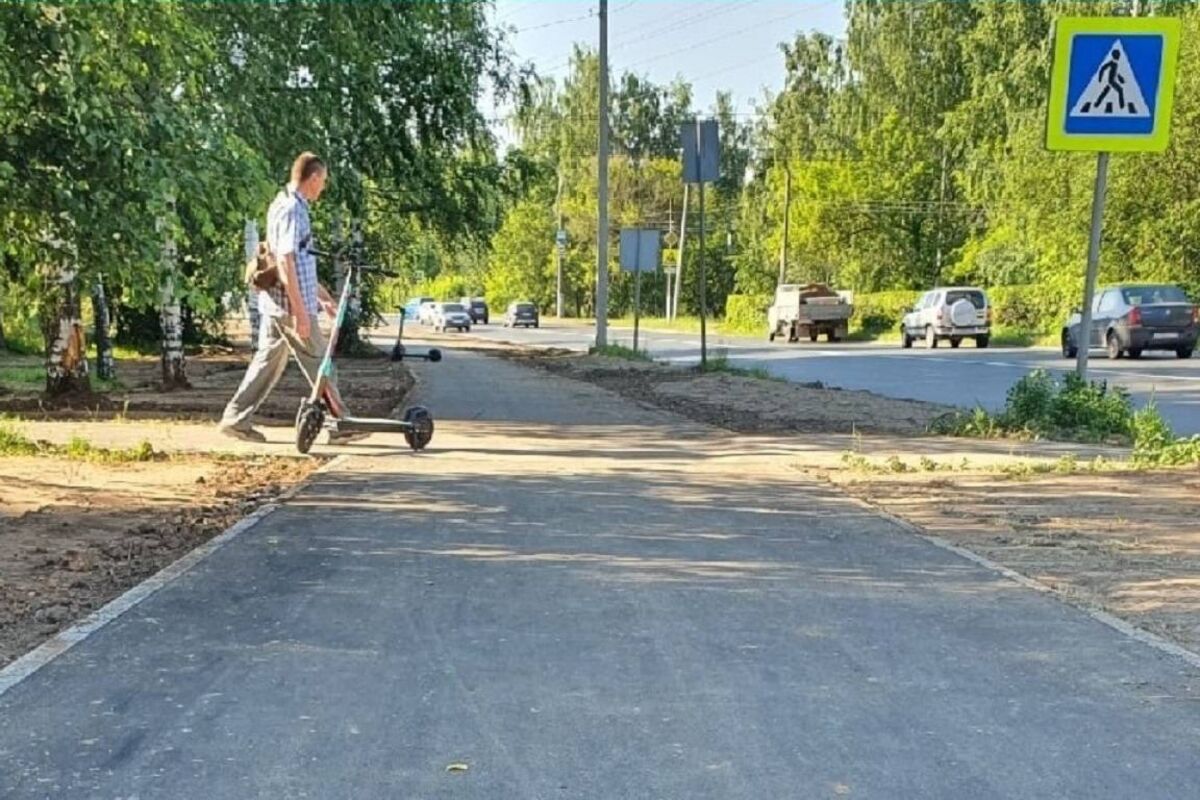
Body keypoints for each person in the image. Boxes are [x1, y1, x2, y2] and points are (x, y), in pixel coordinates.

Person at [218, 152, 355, 442]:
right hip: (289, 307)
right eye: (324, 181)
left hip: (275, 304)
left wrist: (323, 296)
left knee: (267, 362)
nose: (324, 187)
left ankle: (235, 419)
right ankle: (341, 423)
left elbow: (300, 263)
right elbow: (285, 261)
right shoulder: (294, 209)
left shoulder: (281, 202)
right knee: (320, 362)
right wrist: (301, 312)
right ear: (314, 178)